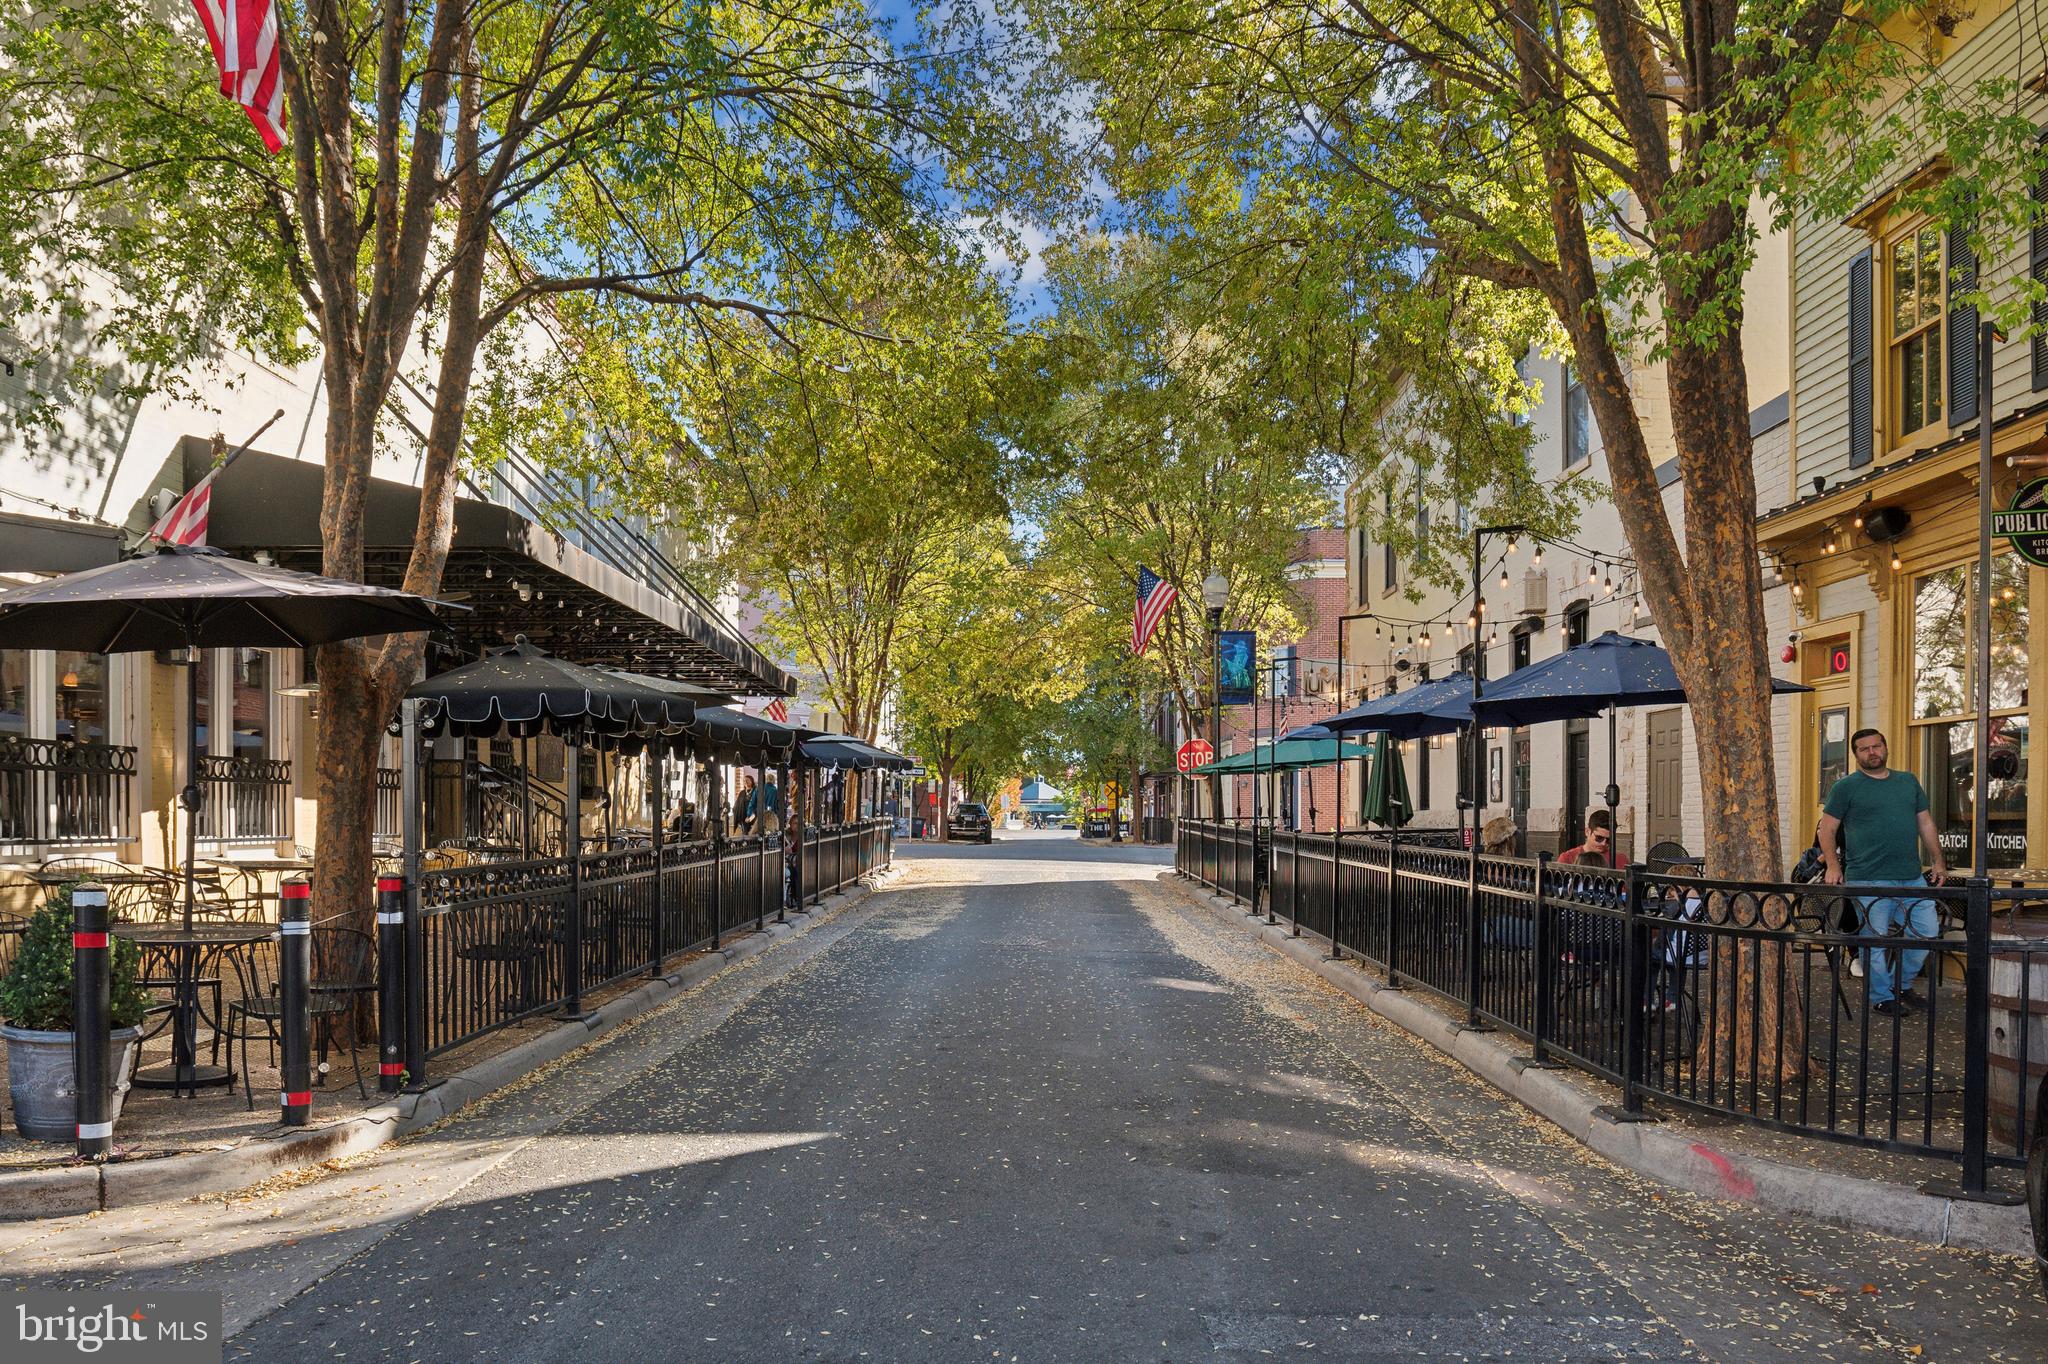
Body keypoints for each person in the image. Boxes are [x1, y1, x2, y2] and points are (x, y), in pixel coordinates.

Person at [1818, 727, 1948, 1016]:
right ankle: (1880, 996)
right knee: (1874, 940)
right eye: (1864, 749)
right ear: (1856, 755)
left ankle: (1901, 986)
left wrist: (1938, 861)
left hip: (1911, 875)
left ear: (1885, 747)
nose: (1872, 752)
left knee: (1927, 931)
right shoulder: (1846, 787)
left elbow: (1925, 824)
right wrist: (1834, 865)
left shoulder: (1907, 782)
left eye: (1876, 746)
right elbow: (1827, 829)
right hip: (1868, 877)